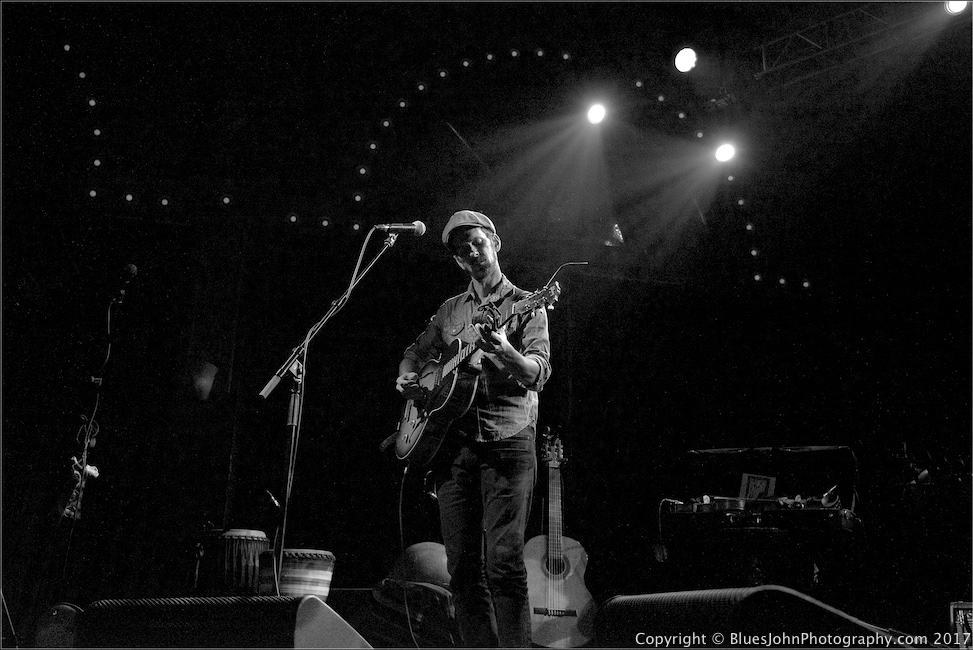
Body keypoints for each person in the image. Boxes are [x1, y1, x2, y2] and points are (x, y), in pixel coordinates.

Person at [395, 210, 552, 648]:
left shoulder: (525, 302)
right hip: (455, 447)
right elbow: (415, 352)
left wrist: (506, 352)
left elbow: (538, 372)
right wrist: (405, 376)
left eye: (478, 244)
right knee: (463, 569)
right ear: (458, 263)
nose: (472, 254)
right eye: (462, 252)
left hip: (508, 442)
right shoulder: (449, 311)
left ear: (495, 244)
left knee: (504, 564)